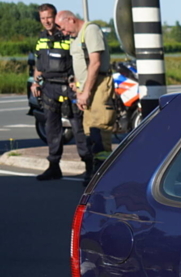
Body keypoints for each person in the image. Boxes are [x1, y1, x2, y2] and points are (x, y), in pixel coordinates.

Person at [31, 3, 92, 182]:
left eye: (49, 17)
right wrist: (36, 83)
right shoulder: (41, 39)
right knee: (52, 129)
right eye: (43, 18)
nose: (46, 21)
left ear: (55, 16)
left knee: (78, 128)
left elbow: (79, 60)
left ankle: (89, 168)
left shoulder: (67, 35)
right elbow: (38, 66)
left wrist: (76, 81)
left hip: (68, 87)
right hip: (49, 88)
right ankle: (53, 166)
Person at [55, 10, 115, 179]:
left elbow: (95, 63)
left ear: (71, 19)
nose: (64, 32)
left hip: (98, 87)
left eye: (63, 27)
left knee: (100, 132)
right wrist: (79, 87)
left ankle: (103, 176)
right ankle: (94, 172)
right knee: (90, 133)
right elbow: (83, 65)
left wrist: (86, 92)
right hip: (86, 89)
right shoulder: (77, 37)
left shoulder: (91, 31)